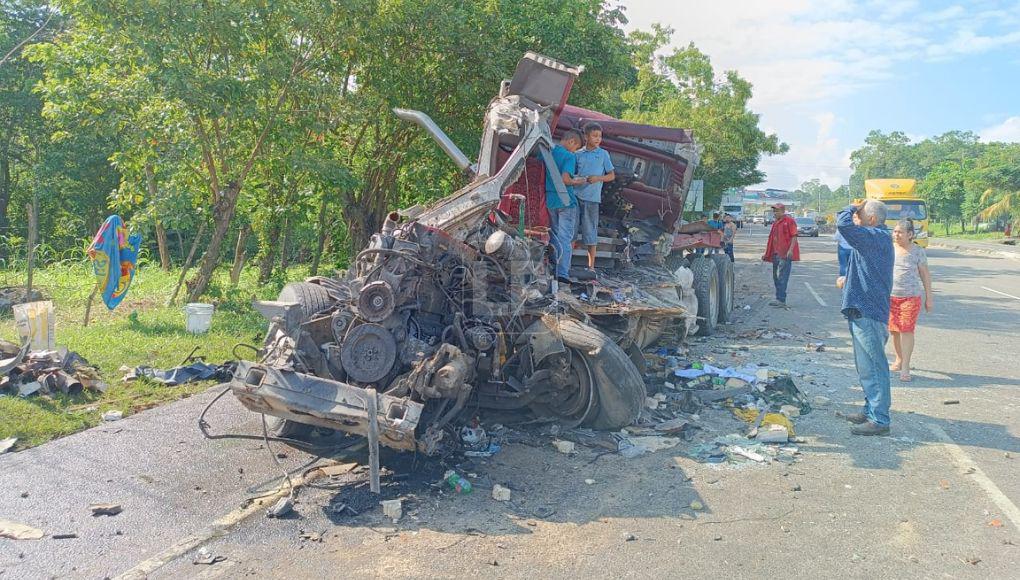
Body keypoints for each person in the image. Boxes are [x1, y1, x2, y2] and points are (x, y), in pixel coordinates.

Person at [837, 200, 894, 436]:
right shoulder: (874, 238)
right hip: (863, 310)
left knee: (874, 366)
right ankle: (870, 409)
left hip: (869, 312)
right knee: (865, 367)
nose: (855, 218)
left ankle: (880, 419)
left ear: (871, 219)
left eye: (859, 215)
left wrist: (851, 206)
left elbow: (842, 224)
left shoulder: (875, 237)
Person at [889, 219, 933, 382]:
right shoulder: (890, 249)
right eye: (894, 231)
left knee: (906, 330)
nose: (896, 235)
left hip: (911, 297)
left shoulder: (917, 251)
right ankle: (899, 359)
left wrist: (929, 298)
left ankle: (906, 366)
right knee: (894, 330)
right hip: (890, 296)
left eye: (900, 232)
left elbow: (925, 275)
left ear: (910, 234)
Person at [544, 129, 586, 284]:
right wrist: (579, 181)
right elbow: (566, 179)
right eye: (576, 147)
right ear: (572, 142)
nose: (575, 151)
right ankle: (562, 274)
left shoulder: (547, 151)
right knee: (565, 238)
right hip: (566, 201)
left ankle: (553, 269)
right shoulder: (569, 156)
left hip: (550, 200)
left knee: (554, 236)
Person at [574, 123, 615, 271]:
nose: (598, 139)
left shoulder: (603, 154)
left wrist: (598, 178)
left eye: (600, 136)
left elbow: (611, 176)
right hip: (575, 197)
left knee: (590, 232)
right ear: (586, 136)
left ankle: (591, 267)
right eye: (594, 136)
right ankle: (565, 262)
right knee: (571, 230)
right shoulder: (577, 154)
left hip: (592, 199)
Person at [761, 203, 799, 307]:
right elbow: (772, 240)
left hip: (785, 254)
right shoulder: (776, 223)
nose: (775, 213)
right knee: (775, 277)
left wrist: (790, 250)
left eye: (776, 211)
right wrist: (767, 254)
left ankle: (781, 299)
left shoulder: (789, 221)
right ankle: (779, 298)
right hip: (775, 254)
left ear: (782, 211)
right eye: (774, 211)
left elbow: (794, 236)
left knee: (782, 276)